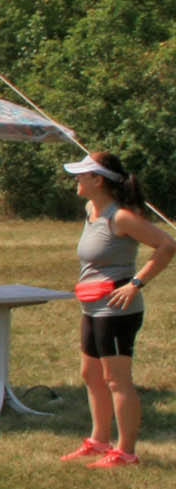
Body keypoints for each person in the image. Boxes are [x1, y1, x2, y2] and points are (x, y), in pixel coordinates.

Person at [60, 151, 174, 468]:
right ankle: (99, 441)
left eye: (82, 174)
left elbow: (167, 245)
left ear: (98, 180)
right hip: (92, 306)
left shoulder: (120, 217)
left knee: (116, 379)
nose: (77, 179)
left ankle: (126, 452)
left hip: (116, 309)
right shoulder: (91, 210)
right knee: (91, 373)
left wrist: (135, 283)